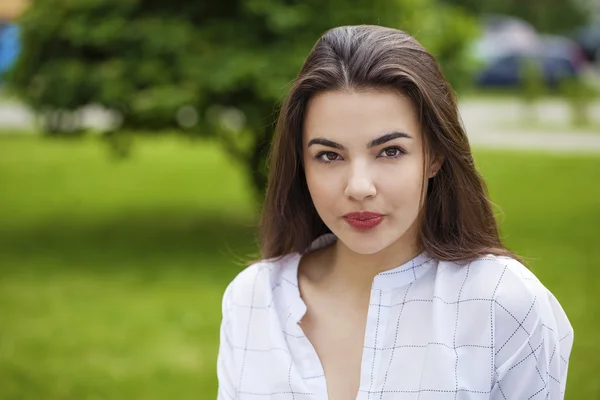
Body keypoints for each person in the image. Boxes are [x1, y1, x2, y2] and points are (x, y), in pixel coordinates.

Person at [216, 25, 573, 400]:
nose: (359, 187)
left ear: (434, 155)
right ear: (301, 165)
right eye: (329, 156)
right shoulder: (253, 298)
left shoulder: (502, 302)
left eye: (390, 151)